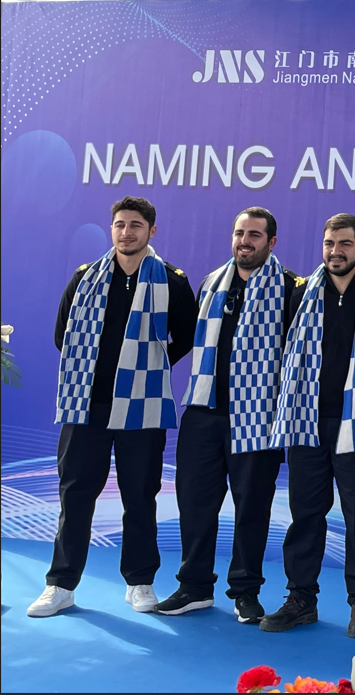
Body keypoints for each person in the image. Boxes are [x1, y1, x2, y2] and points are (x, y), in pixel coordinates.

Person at [29, 196, 197, 618]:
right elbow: (61, 336)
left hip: (142, 408)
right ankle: (61, 585)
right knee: (75, 495)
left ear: (151, 231)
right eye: (120, 224)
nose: (127, 232)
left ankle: (140, 581)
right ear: (112, 229)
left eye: (136, 225)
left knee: (140, 496)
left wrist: (146, 371)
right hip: (86, 407)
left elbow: (188, 335)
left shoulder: (172, 281)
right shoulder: (85, 277)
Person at [260, 213, 355, 638]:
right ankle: (301, 597)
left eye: (344, 244)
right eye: (328, 244)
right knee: (305, 513)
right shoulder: (301, 292)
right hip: (307, 420)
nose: (335, 251)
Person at [155, 207, 298, 623]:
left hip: (257, 414)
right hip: (203, 409)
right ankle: (194, 586)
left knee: (252, 506)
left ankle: (246, 591)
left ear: (271, 243)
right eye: (239, 233)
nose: (244, 242)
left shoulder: (291, 288)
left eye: (254, 235)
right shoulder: (211, 283)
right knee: (195, 503)